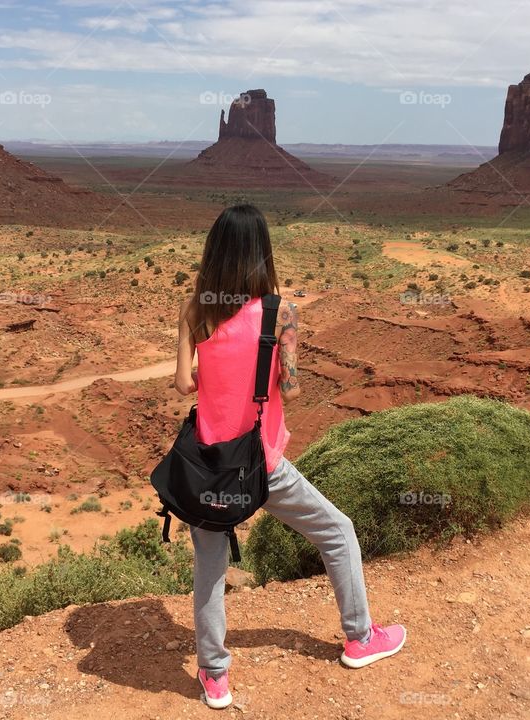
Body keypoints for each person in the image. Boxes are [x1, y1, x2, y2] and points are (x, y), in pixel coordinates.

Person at [173, 204, 406, 710]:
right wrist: (271, 369)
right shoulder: (282, 313)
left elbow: (183, 383)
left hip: (208, 466)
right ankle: (360, 639)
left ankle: (215, 677)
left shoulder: (196, 310)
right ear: (262, 254)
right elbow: (293, 391)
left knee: (209, 568)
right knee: (337, 531)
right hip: (263, 464)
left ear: (214, 253)